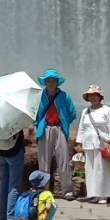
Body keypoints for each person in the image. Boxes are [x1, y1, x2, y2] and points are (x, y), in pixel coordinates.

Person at [35, 69, 77, 199]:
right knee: (44, 161)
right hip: (45, 129)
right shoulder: (40, 96)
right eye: (49, 81)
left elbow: (72, 113)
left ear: (57, 82)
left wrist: (64, 122)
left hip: (60, 128)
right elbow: (35, 113)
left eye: (53, 81)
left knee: (63, 160)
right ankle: (44, 190)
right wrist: (38, 125)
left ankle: (67, 191)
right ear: (45, 82)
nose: (51, 83)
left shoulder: (64, 96)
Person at [73, 86, 110, 204]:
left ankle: (103, 195)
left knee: (102, 169)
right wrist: (79, 142)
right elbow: (81, 128)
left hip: (102, 144)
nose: (93, 97)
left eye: (95, 95)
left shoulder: (107, 110)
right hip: (88, 143)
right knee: (90, 169)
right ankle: (93, 194)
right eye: (90, 95)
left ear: (100, 97)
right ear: (87, 98)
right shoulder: (85, 111)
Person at [0, 126, 29, 220]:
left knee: (4, 183)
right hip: (15, 151)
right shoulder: (13, 120)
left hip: (2, 151)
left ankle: (3, 214)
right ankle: (11, 215)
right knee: (14, 185)